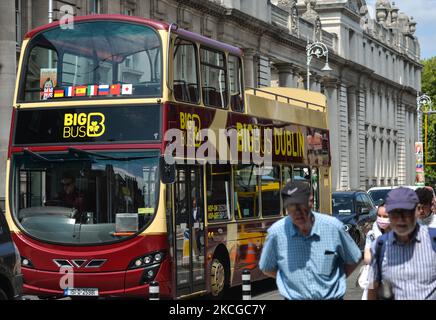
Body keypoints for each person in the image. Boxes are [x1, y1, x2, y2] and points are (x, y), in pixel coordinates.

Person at [259, 180, 362, 300]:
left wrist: (335, 280)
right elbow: (266, 267)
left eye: (300, 205)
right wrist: (289, 279)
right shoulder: (276, 233)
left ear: (311, 201)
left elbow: (354, 258)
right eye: (291, 206)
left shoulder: (333, 227)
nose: (297, 212)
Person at [367, 187, 436, 300]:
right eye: (395, 213)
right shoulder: (380, 246)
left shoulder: (433, 240)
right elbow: (372, 286)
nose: (400, 219)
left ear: (417, 210)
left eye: (406, 213)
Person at [359, 202, 390, 300]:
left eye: (385, 216)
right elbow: (367, 258)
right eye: (379, 216)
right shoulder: (372, 235)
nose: (381, 219)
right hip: (375, 281)